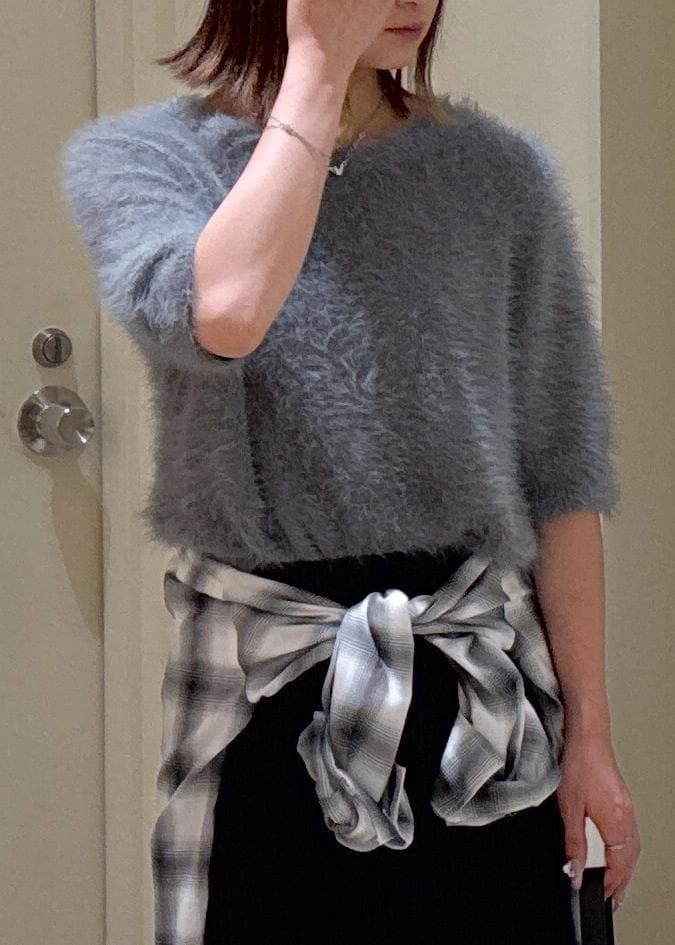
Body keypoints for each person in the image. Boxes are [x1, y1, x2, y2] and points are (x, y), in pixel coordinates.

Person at [59, 1, 641, 943]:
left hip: (476, 699)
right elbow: (225, 311)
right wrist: (315, 74)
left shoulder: (499, 175)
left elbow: (561, 474)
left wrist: (592, 739)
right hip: (270, 698)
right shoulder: (144, 162)